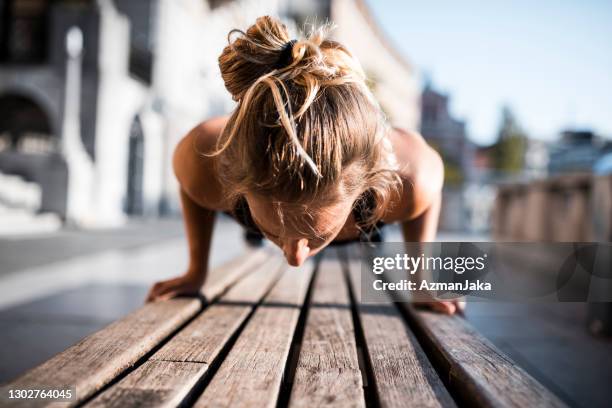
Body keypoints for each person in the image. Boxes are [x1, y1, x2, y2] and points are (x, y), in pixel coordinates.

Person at [147, 16, 463, 315]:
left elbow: (426, 200)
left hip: (366, 210)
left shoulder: (410, 175)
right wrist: (195, 271)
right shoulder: (207, 155)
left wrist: (420, 284)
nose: (294, 259)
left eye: (315, 236)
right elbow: (193, 188)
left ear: (364, 187)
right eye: (274, 230)